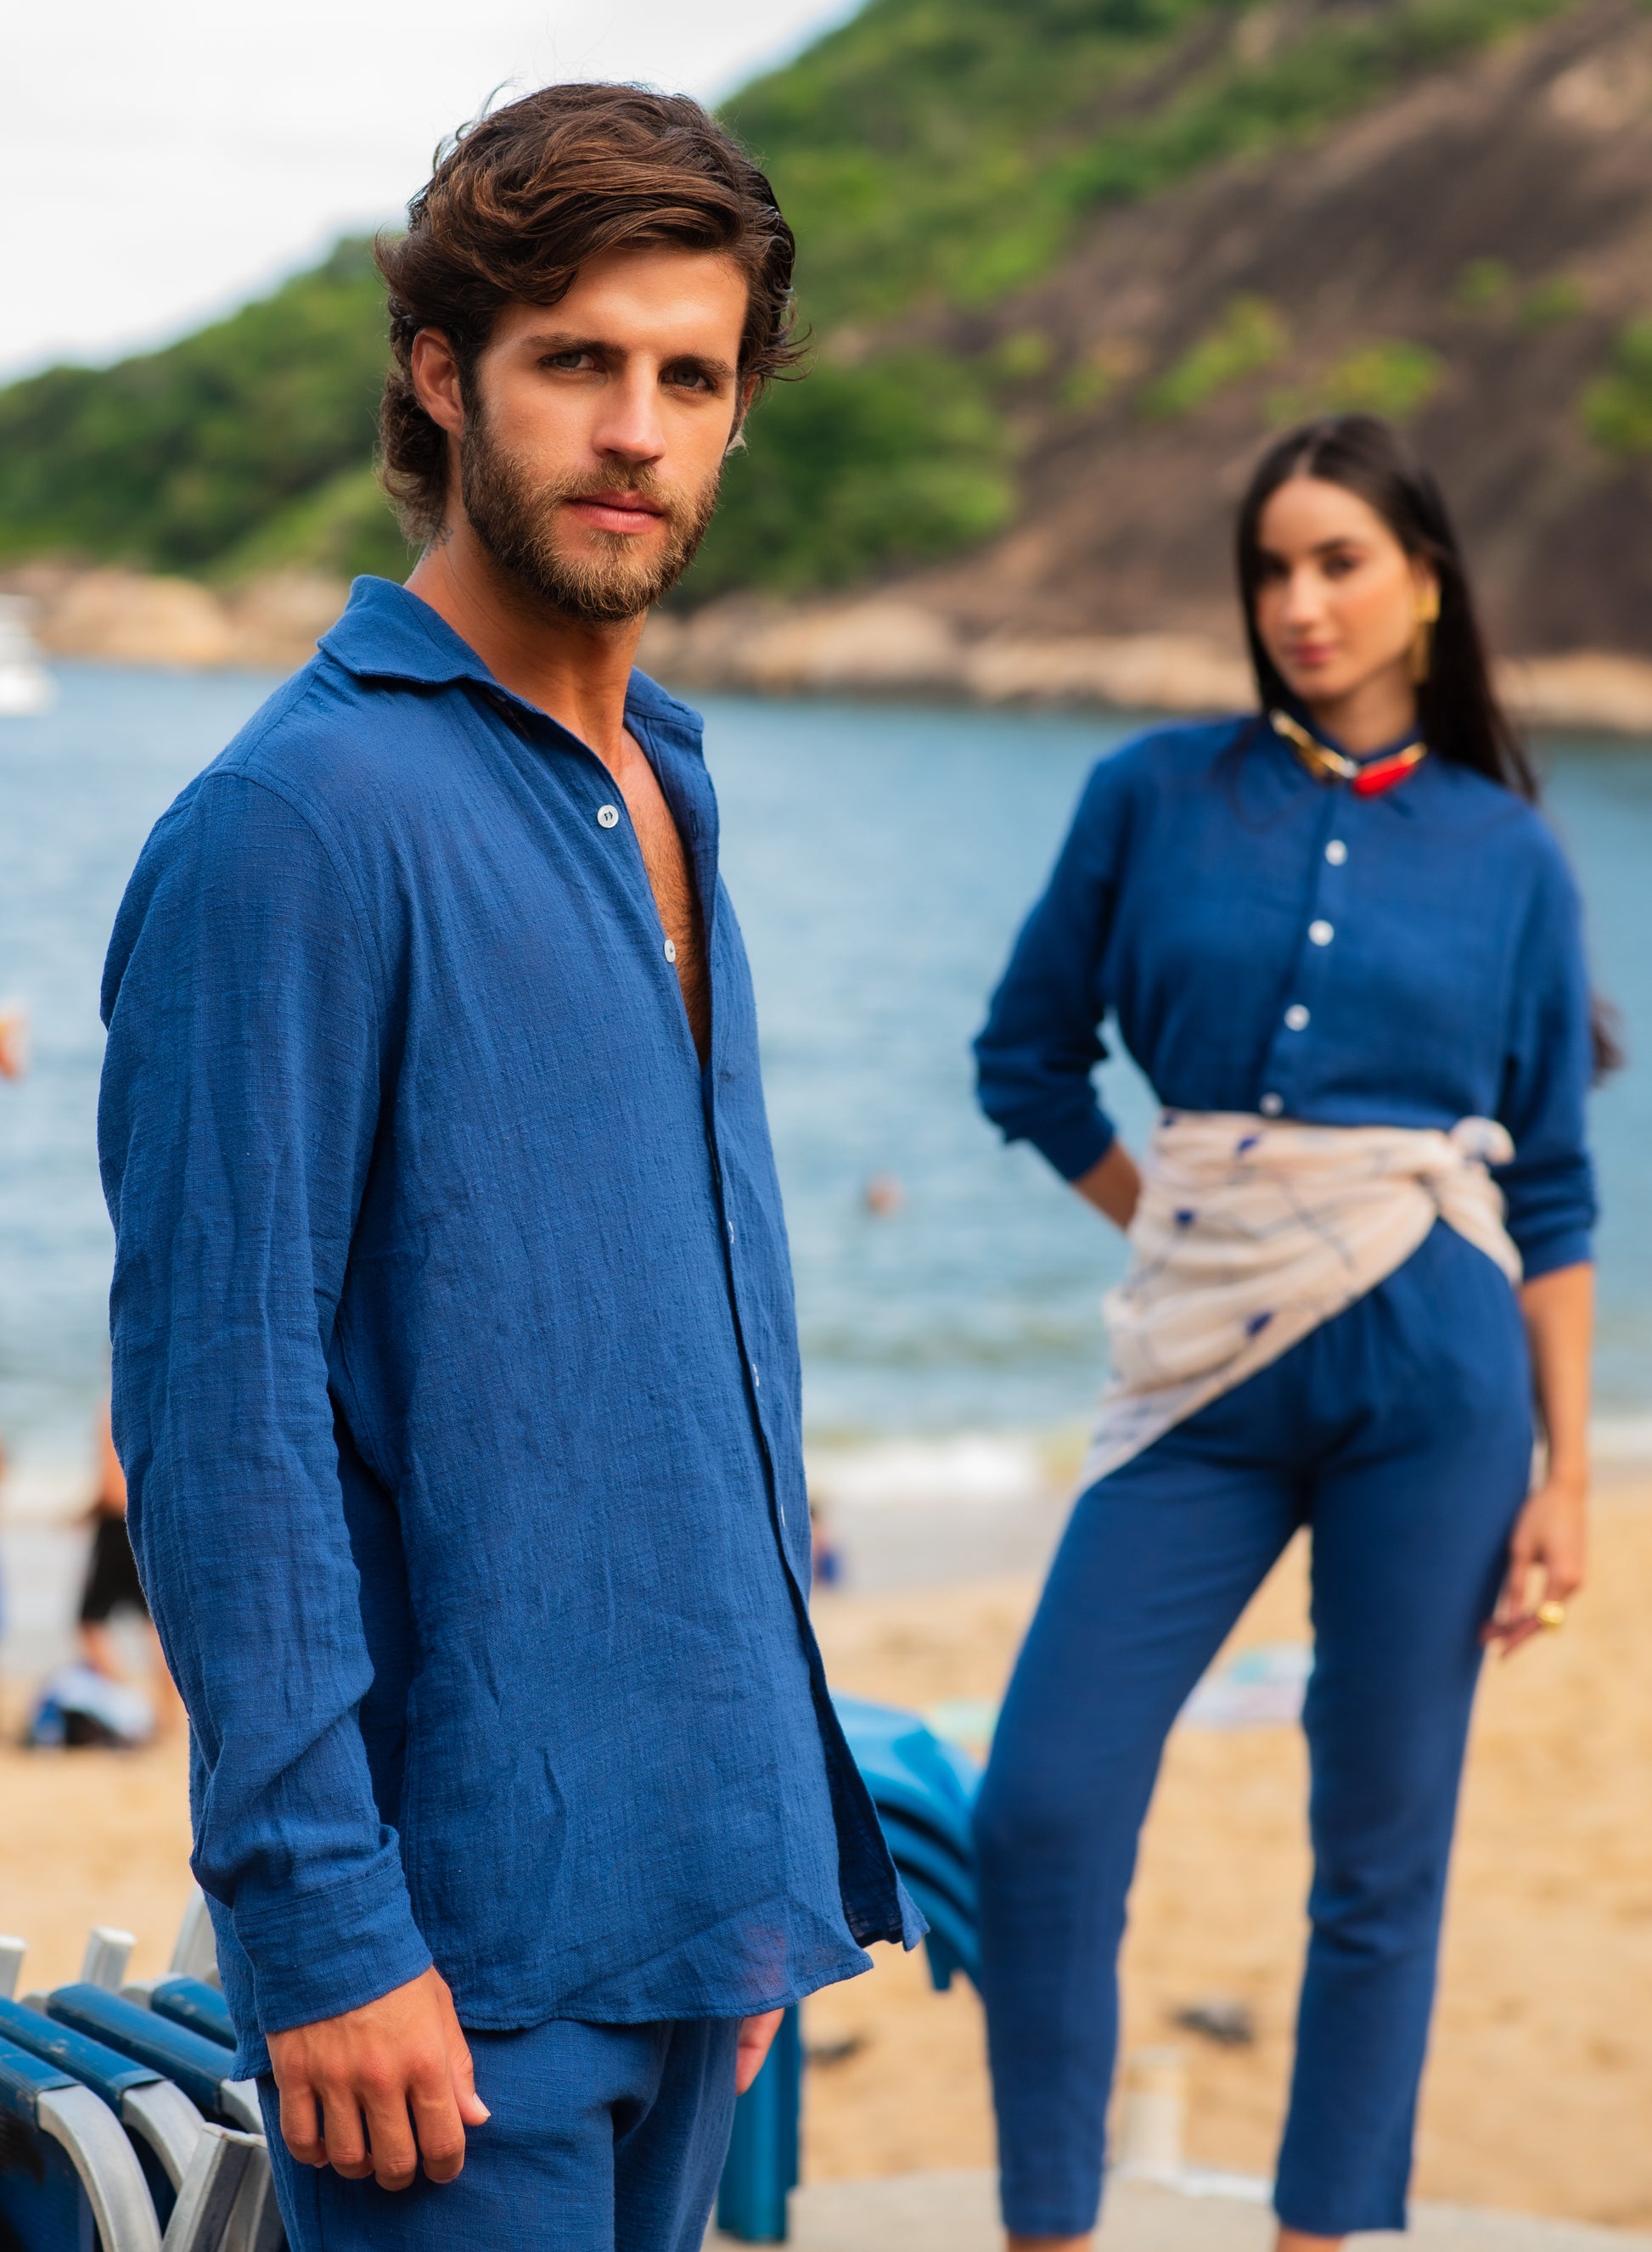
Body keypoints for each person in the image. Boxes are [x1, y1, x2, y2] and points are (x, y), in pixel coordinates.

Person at [99, 84, 912, 2252]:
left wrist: (753, 1867)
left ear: (738, 417)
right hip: (446, 1972)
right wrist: (324, 1930)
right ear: (445, 376)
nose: (636, 429)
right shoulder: (295, 824)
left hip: (697, 1918)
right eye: (576, 361)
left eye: (690, 376)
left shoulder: (670, 783)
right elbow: (219, 1408)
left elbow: (702, 1344)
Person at [971, 413, 1598, 2252]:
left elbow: (1552, 1187)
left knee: (1379, 1857)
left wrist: (1571, 1476)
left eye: (1338, 560)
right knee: (1041, 1808)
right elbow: (1025, 1059)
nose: (1300, 600)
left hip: (1441, 1379)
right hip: (1203, 1364)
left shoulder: (1512, 857)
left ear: (1422, 581)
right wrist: (1185, 1219)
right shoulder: (1153, 793)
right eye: (1271, 566)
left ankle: (1321, 2237)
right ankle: (1047, 2230)